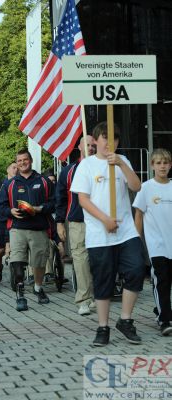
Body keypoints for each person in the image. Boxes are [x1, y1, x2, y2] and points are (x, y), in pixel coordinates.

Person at [71, 121, 145, 346]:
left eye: (113, 138)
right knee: (103, 280)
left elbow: (136, 187)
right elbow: (82, 199)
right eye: (104, 138)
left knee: (136, 269)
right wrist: (104, 219)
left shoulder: (123, 161)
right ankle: (103, 327)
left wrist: (121, 164)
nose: (108, 142)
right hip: (99, 234)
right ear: (95, 140)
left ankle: (125, 320)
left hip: (126, 232)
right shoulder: (87, 165)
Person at [0, 148, 55, 311]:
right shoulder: (9, 184)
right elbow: (0, 207)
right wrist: (10, 211)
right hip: (17, 228)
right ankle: (20, 293)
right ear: (16, 164)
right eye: (19, 161)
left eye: (25, 160)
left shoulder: (44, 181)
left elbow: (54, 203)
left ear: (30, 161)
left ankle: (38, 288)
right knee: (17, 261)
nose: (22, 163)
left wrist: (39, 209)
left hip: (39, 228)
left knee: (39, 263)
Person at [133, 148, 172, 336]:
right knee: (161, 282)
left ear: (170, 165)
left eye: (165, 162)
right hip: (157, 245)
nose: (162, 166)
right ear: (152, 166)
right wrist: (136, 240)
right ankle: (165, 320)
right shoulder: (146, 188)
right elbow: (138, 216)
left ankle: (161, 310)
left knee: (169, 282)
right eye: (158, 163)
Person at [56, 135, 96, 315]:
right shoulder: (69, 171)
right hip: (77, 221)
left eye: (93, 144)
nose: (91, 147)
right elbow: (60, 199)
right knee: (80, 259)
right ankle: (84, 299)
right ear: (79, 147)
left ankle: (96, 295)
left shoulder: (104, 167)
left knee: (99, 259)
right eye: (87, 144)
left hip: (100, 221)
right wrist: (59, 223)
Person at [0, 162, 18, 283]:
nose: (16, 170)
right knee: (0, 250)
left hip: (16, 220)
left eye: (17, 168)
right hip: (1, 221)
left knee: (15, 248)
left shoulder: (20, 183)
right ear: (7, 170)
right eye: (13, 167)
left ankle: (17, 274)